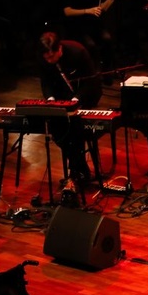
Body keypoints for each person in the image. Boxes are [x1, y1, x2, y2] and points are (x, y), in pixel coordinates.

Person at [38, 29, 103, 185]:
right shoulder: (44, 57)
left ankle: (77, 171)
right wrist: (51, 99)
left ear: (59, 49)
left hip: (86, 94)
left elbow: (90, 81)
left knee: (74, 128)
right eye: (47, 58)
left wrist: (76, 99)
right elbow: (46, 82)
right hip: (62, 97)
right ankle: (78, 168)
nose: (49, 61)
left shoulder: (78, 52)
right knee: (57, 130)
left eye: (52, 57)